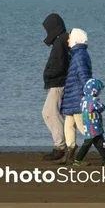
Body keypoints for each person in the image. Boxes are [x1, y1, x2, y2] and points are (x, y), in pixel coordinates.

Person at [57, 28, 91, 164]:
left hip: (77, 98)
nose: (68, 40)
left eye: (70, 38)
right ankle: (69, 154)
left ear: (76, 40)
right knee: (68, 125)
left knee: (84, 128)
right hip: (72, 98)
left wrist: (87, 93)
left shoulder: (80, 56)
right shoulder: (77, 54)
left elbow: (84, 76)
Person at [41, 13, 70, 161]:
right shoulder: (62, 40)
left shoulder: (60, 42)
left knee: (51, 114)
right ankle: (64, 145)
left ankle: (62, 147)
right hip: (58, 83)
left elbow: (59, 65)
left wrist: (48, 75)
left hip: (58, 84)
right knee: (49, 113)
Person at [73, 78, 105, 166]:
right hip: (94, 124)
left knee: (99, 141)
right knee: (89, 142)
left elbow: (81, 108)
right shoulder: (94, 100)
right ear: (94, 90)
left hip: (87, 123)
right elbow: (101, 107)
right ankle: (78, 160)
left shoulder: (83, 99)